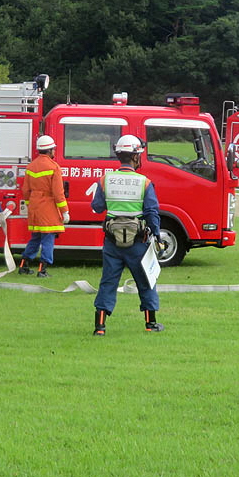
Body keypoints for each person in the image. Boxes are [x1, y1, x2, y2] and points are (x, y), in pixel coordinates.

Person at [91, 134, 164, 336]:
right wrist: (156, 236)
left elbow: (97, 207)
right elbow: (151, 212)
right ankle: (151, 324)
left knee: (108, 282)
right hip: (138, 243)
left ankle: (100, 327)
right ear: (134, 157)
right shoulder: (145, 182)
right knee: (146, 281)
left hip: (112, 242)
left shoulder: (105, 180)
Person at [18, 135, 68, 278]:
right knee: (48, 238)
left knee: (35, 237)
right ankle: (43, 270)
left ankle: (23, 265)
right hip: (48, 206)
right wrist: (65, 212)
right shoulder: (54, 167)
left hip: (34, 205)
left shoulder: (31, 166)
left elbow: (25, 191)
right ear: (50, 150)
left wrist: (29, 205)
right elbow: (58, 193)